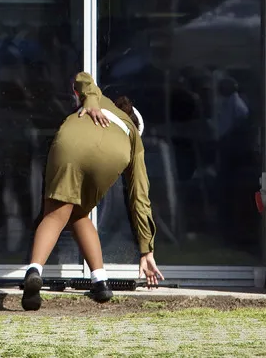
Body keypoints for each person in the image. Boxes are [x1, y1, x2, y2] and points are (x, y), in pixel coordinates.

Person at [21, 71, 164, 311]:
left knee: (56, 213)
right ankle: (100, 281)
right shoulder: (134, 139)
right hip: (113, 157)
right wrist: (146, 248)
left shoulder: (101, 99)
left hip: (71, 142)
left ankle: (34, 270)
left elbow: (82, 77)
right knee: (78, 213)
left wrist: (91, 101)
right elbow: (139, 197)